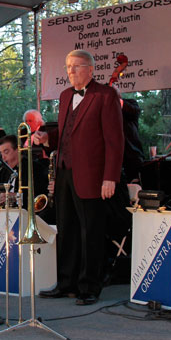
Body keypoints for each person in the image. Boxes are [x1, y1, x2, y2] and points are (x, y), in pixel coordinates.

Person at [33, 49, 124, 305]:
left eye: (76, 66)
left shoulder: (105, 95)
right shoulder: (64, 96)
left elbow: (115, 141)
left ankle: (89, 286)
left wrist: (110, 177)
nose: (70, 71)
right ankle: (66, 283)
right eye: (67, 66)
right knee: (68, 229)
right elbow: (66, 134)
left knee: (91, 232)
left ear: (91, 69)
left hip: (93, 176)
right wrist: (47, 139)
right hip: (64, 171)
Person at [0, 134, 48, 209]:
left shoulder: (35, 168)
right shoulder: (3, 171)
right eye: (1, 153)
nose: (3, 157)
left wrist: (16, 196)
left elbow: (39, 196)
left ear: (18, 150)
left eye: (6, 152)